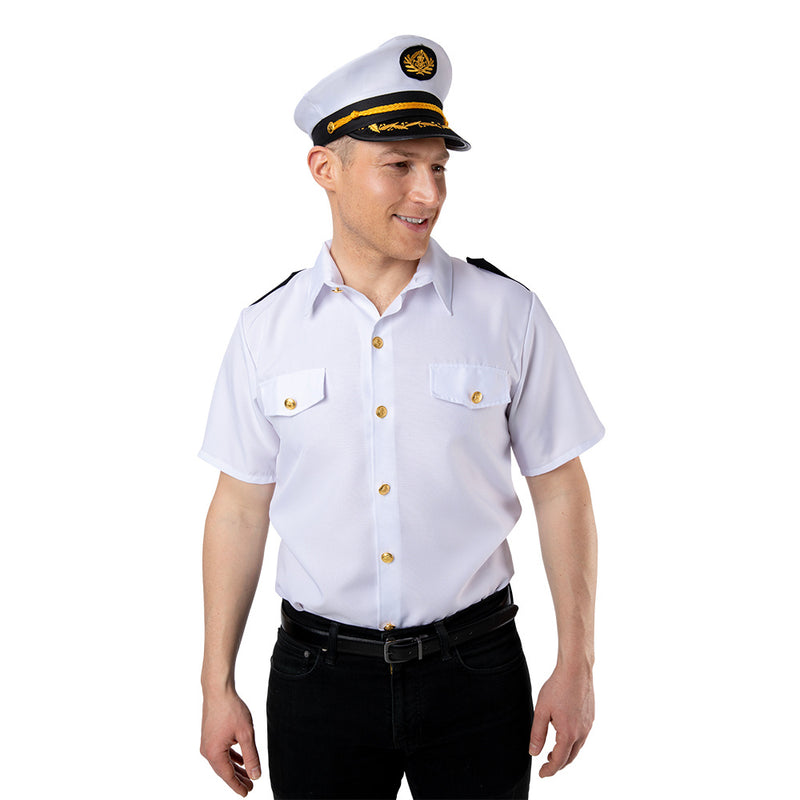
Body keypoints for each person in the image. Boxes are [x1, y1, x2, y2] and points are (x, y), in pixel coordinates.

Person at [198, 35, 604, 799]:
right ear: (325, 169)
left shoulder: (506, 312)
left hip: (477, 673)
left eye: (439, 168)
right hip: (318, 680)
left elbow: (560, 489)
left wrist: (576, 664)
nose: (429, 194)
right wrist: (215, 684)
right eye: (400, 166)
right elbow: (240, 509)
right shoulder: (265, 331)